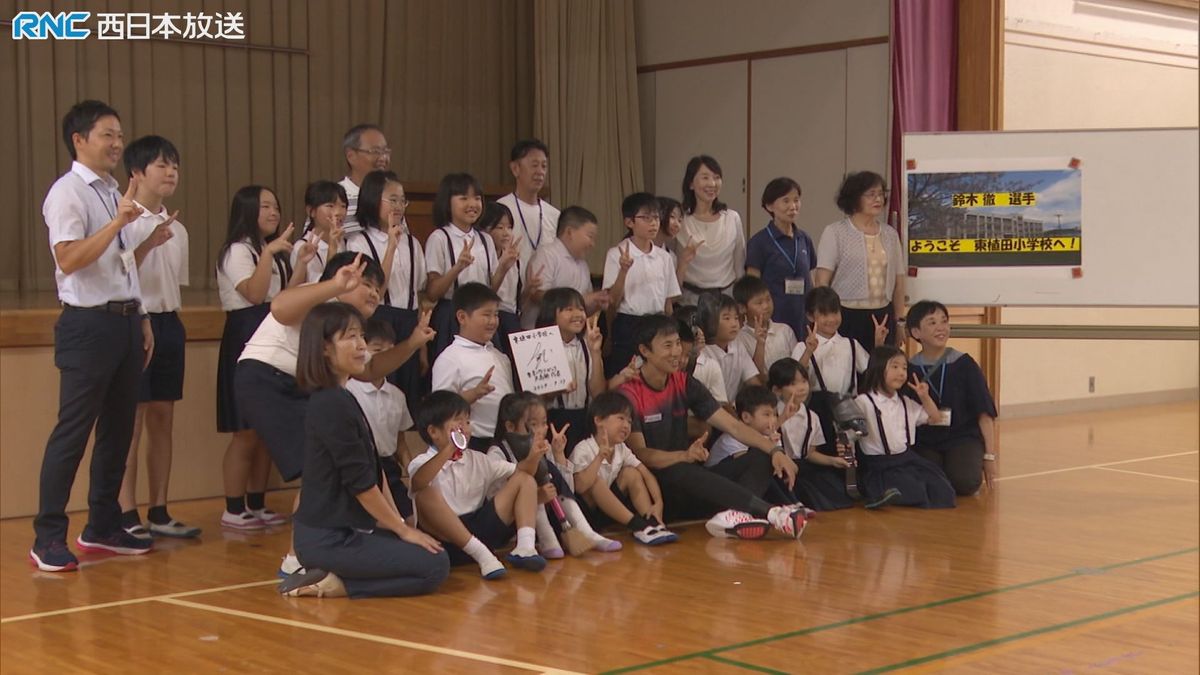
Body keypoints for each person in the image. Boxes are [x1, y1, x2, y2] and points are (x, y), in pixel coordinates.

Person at [241, 252, 433, 577]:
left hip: (298, 384)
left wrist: (413, 343)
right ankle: (296, 559)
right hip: (269, 378)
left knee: (325, 466)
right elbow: (279, 306)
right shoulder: (320, 301)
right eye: (366, 284)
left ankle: (326, 546)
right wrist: (334, 284)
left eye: (378, 288)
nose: (374, 293)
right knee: (313, 469)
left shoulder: (343, 327)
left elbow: (368, 370)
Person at [31, 100, 156, 571]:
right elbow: (69, 258)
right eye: (108, 134)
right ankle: (47, 537)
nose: (118, 144)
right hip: (87, 326)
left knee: (118, 430)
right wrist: (119, 223)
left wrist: (141, 317)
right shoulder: (67, 193)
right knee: (73, 432)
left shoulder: (109, 191)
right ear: (79, 140)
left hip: (123, 321)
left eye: (120, 135)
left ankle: (102, 526)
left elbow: (119, 262)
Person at [278, 302, 449, 599]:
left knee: (434, 550)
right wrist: (403, 531)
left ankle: (336, 577)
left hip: (347, 532)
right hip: (327, 540)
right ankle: (337, 585)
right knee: (434, 566)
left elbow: (375, 471)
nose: (362, 347)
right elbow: (361, 484)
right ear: (324, 349)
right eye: (350, 337)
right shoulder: (329, 404)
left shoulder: (342, 397)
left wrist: (402, 526)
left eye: (361, 337)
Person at [616, 315, 807, 539]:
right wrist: (683, 455)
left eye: (678, 343)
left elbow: (733, 426)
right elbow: (642, 455)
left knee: (761, 456)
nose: (676, 352)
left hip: (692, 483)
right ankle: (771, 513)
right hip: (657, 488)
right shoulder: (629, 393)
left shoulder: (684, 382)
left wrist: (775, 450)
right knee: (680, 467)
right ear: (644, 351)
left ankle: (734, 517)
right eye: (667, 345)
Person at [116, 134, 199, 539]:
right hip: (134, 321)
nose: (171, 173)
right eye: (162, 165)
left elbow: (173, 284)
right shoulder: (123, 220)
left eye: (175, 166)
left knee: (163, 418)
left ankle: (160, 510)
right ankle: (126, 510)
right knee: (130, 420)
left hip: (169, 322)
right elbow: (115, 272)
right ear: (137, 172)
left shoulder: (178, 228)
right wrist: (148, 242)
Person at [216, 186, 306, 530]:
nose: (273, 212)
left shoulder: (272, 252)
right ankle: (233, 506)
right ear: (247, 210)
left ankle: (257, 501)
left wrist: (302, 262)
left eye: (276, 206)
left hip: (272, 334)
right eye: (265, 206)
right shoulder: (238, 250)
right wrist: (269, 253)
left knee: (267, 426)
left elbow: (284, 299)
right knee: (244, 430)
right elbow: (254, 295)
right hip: (244, 334)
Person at [408, 390, 548, 577]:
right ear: (433, 431)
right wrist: (450, 449)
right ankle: (483, 556)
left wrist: (533, 457)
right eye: (458, 422)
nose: (465, 428)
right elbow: (419, 482)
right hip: (445, 541)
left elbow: (522, 473)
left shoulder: (479, 459)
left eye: (467, 421)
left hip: (481, 530)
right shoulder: (420, 462)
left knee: (525, 479)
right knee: (426, 493)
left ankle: (525, 547)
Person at [489, 393, 621, 558]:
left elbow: (566, 490)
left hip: (546, 518)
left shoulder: (544, 447)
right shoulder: (497, 453)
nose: (541, 429)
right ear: (510, 426)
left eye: (544, 423)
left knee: (548, 471)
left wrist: (559, 454)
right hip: (513, 526)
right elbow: (499, 498)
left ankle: (586, 532)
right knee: (533, 480)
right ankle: (548, 540)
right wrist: (536, 496)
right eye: (533, 424)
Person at [345, 170, 426, 395]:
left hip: (409, 320)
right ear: (372, 199)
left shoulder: (413, 244)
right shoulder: (358, 242)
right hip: (378, 319)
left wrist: (422, 347)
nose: (399, 206)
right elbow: (374, 292)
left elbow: (419, 293)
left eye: (402, 201)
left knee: (406, 392)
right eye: (392, 200)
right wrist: (390, 246)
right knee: (377, 387)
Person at [906, 300, 999, 495]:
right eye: (932, 323)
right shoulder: (910, 368)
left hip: (961, 437)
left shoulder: (964, 364)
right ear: (916, 332)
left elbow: (984, 412)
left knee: (965, 482)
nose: (941, 328)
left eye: (944, 321)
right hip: (925, 440)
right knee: (928, 482)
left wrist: (990, 456)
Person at [814, 171, 906, 354]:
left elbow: (899, 282)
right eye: (871, 194)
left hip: (883, 314)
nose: (878, 199)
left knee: (881, 372)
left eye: (880, 194)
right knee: (851, 370)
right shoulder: (835, 232)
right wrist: (825, 317)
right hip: (847, 315)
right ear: (854, 198)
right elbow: (821, 282)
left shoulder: (890, 234)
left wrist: (900, 321)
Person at [855, 346, 956, 509]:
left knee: (942, 489)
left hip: (907, 459)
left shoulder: (905, 402)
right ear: (879, 368)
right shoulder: (864, 402)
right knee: (912, 489)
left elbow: (936, 418)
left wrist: (924, 397)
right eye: (895, 367)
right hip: (880, 464)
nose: (901, 373)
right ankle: (878, 492)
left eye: (904, 368)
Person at [570, 392, 678, 545]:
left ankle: (651, 523)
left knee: (631, 473)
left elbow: (646, 474)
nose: (627, 425)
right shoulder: (584, 448)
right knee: (595, 481)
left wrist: (658, 502)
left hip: (610, 512)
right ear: (599, 420)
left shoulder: (621, 449)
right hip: (585, 515)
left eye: (629, 420)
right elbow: (580, 486)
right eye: (621, 418)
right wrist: (600, 457)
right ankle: (638, 525)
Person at [791, 286, 886, 453]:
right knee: (823, 455)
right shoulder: (801, 347)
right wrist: (808, 352)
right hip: (818, 411)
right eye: (824, 314)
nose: (832, 319)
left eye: (835, 313)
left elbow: (872, 372)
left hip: (850, 411)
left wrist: (878, 345)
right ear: (810, 316)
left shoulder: (851, 344)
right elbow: (794, 378)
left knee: (850, 458)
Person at [602, 192, 682, 379]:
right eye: (646, 218)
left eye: (655, 217)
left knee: (656, 377)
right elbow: (612, 301)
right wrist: (623, 270)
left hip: (657, 322)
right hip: (628, 323)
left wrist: (672, 331)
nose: (653, 223)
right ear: (629, 222)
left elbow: (668, 302)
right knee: (627, 376)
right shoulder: (616, 253)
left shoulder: (664, 257)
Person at [430, 283, 515, 451]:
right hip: (473, 443)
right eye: (486, 315)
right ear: (462, 317)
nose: (493, 321)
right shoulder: (450, 358)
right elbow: (438, 410)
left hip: (504, 441)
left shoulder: (500, 356)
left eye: (496, 315)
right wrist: (473, 394)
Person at [346, 318, 416, 519]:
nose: (385, 357)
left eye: (390, 350)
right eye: (377, 350)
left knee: (410, 518)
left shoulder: (397, 395)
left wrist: (412, 470)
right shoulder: (349, 391)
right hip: (361, 467)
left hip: (389, 468)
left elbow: (400, 442)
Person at [424, 173, 498, 361]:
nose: (472, 204)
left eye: (477, 198)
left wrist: (504, 267)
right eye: (464, 198)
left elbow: (491, 290)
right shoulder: (439, 238)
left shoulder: (485, 239)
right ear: (447, 202)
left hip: (482, 313)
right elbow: (432, 292)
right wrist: (458, 267)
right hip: (451, 315)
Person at [768, 358, 855, 511]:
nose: (801, 388)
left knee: (835, 495)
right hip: (780, 471)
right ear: (777, 390)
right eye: (792, 384)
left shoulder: (812, 417)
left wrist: (832, 460)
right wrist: (782, 419)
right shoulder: (771, 414)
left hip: (804, 468)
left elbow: (810, 453)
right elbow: (763, 440)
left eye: (803, 381)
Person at [535, 288, 607, 452]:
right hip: (552, 419)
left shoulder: (586, 344)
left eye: (581, 309)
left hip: (583, 418)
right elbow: (533, 397)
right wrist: (556, 391)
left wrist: (596, 353)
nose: (578, 314)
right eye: (569, 309)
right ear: (551, 313)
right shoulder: (539, 346)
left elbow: (598, 393)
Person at [745, 177, 816, 340]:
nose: (793, 206)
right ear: (769, 206)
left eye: (796, 200)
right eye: (785, 201)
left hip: (802, 319)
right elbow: (751, 287)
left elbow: (812, 280)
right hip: (772, 321)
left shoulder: (804, 239)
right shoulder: (759, 242)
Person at [523, 205, 609, 329]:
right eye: (590, 236)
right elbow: (537, 296)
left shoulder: (582, 264)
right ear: (570, 232)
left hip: (570, 337)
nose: (592, 244)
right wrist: (579, 300)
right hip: (541, 334)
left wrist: (597, 303)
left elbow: (583, 308)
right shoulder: (547, 255)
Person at [676, 155, 746, 304]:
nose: (712, 183)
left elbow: (739, 264)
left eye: (716, 177)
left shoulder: (732, 218)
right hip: (690, 300)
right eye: (705, 177)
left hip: (726, 298)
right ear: (691, 184)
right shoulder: (680, 221)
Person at [497, 139, 560, 274]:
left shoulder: (554, 215)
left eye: (544, 166)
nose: (540, 172)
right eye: (534, 165)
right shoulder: (500, 209)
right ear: (515, 169)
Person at [474, 201, 527, 352]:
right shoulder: (481, 258)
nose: (506, 233)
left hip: (512, 318)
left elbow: (517, 297)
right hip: (492, 317)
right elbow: (485, 293)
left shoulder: (516, 260)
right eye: (500, 227)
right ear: (485, 230)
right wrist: (502, 266)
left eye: (509, 227)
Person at [697, 292, 763, 401]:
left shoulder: (737, 345)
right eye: (727, 318)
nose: (734, 324)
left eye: (736, 318)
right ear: (710, 321)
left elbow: (753, 382)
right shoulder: (702, 352)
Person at [733, 274, 799, 375]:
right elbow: (753, 376)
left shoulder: (785, 330)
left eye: (768, 299)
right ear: (742, 308)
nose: (766, 306)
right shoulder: (740, 339)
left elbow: (797, 368)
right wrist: (760, 344)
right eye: (759, 303)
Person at [339, 124, 391, 234]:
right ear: (350, 156)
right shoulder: (334, 196)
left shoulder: (391, 195)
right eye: (375, 151)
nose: (383, 158)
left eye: (386, 151)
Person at [292, 180, 347, 283]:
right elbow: (324, 288)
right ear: (311, 211)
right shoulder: (303, 247)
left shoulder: (345, 243)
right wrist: (332, 249)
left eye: (343, 206)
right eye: (330, 206)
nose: (339, 212)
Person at [655, 196, 699, 288]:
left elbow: (674, 296)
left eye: (680, 220)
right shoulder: (630, 250)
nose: (677, 224)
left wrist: (683, 262)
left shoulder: (670, 256)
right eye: (672, 217)